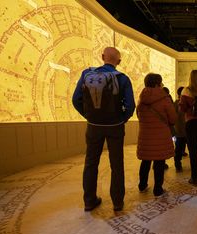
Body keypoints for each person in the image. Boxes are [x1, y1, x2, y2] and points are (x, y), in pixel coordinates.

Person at [72, 47, 135, 212]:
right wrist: (121, 120)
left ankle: (89, 201)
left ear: (102, 57)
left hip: (93, 127)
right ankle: (117, 202)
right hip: (115, 128)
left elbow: (75, 99)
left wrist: (89, 117)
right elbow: (130, 106)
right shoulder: (122, 78)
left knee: (91, 163)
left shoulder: (87, 74)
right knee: (117, 165)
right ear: (119, 62)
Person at [136, 73, 176, 197]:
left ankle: (142, 185)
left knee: (145, 161)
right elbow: (173, 119)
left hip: (145, 136)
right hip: (161, 136)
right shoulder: (164, 99)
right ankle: (157, 189)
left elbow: (139, 115)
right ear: (157, 84)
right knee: (159, 163)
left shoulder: (141, 100)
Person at [173, 86, 187, 172]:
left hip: (179, 130)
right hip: (185, 129)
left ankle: (177, 164)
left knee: (178, 148)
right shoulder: (185, 103)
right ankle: (178, 164)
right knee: (180, 148)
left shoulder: (175, 104)